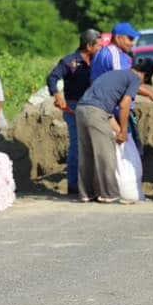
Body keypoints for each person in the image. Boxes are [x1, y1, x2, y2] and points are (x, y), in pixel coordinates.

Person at [75, 59, 153, 203]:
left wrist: (119, 131)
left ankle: (87, 194)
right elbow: (125, 105)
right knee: (106, 154)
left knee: (87, 154)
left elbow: (107, 112)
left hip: (81, 110)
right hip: (95, 112)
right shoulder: (135, 78)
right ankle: (109, 194)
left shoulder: (115, 75)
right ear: (145, 76)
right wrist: (124, 131)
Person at [46, 29, 104, 195]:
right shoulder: (69, 61)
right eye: (98, 44)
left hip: (94, 106)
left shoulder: (98, 61)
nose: (101, 47)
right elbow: (52, 78)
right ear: (88, 45)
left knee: (95, 144)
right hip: (73, 107)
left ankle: (92, 183)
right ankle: (73, 185)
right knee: (77, 145)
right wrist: (57, 94)